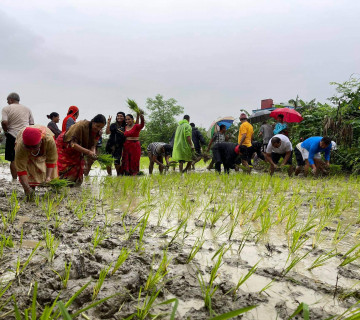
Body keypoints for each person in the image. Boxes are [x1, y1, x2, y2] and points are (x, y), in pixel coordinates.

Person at [56, 114, 106, 184]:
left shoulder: (98, 132)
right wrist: (88, 152)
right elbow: (72, 144)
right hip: (65, 144)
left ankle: (72, 183)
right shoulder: (81, 126)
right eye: (97, 126)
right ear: (93, 122)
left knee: (77, 163)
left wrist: (93, 154)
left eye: (101, 127)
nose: (98, 129)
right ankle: (59, 181)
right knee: (64, 165)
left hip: (78, 147)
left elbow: (93, 145)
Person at [15, 126, 58, 197]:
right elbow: (21, 168)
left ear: (41, 141)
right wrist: (26, 187)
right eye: (28, 147)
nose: (31, 150)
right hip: (23, 139)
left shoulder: (49, 141)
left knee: (51, 176)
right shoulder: (21, 146)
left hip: (45, 141)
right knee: (29, 167)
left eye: (34, 147)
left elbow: (51, 159)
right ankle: (30, 189)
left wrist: (48, 177)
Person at [1, 92, 34, 179]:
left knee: (13, 159)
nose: (7, 102)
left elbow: (4, 122)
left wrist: (6, 131)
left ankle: (15, 180)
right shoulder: (27, 109)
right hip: (25, 136)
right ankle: (27, 179)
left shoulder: (6, 108)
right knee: (26, 158)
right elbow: (32, 124)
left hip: (12, 135)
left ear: (11, 100)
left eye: (7, 100)